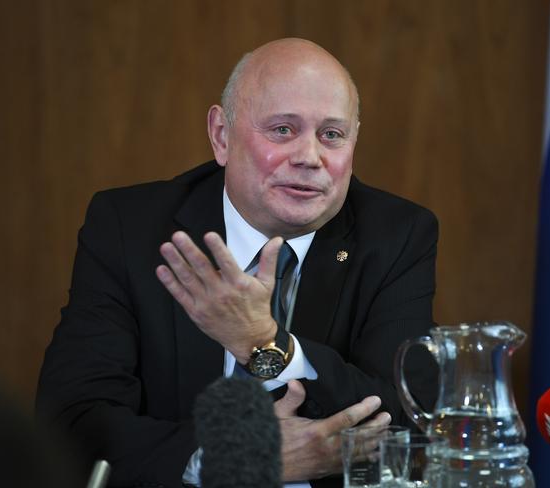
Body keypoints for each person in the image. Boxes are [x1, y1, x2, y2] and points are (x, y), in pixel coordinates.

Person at [36, 38, 438, 487]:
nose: (310, 157)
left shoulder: (397, 235)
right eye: (282, 130)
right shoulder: (131, 228)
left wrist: (265, 344)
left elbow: (407, 419)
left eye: (332, 134)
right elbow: (75, 418)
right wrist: (231, 461)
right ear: (221, 136)